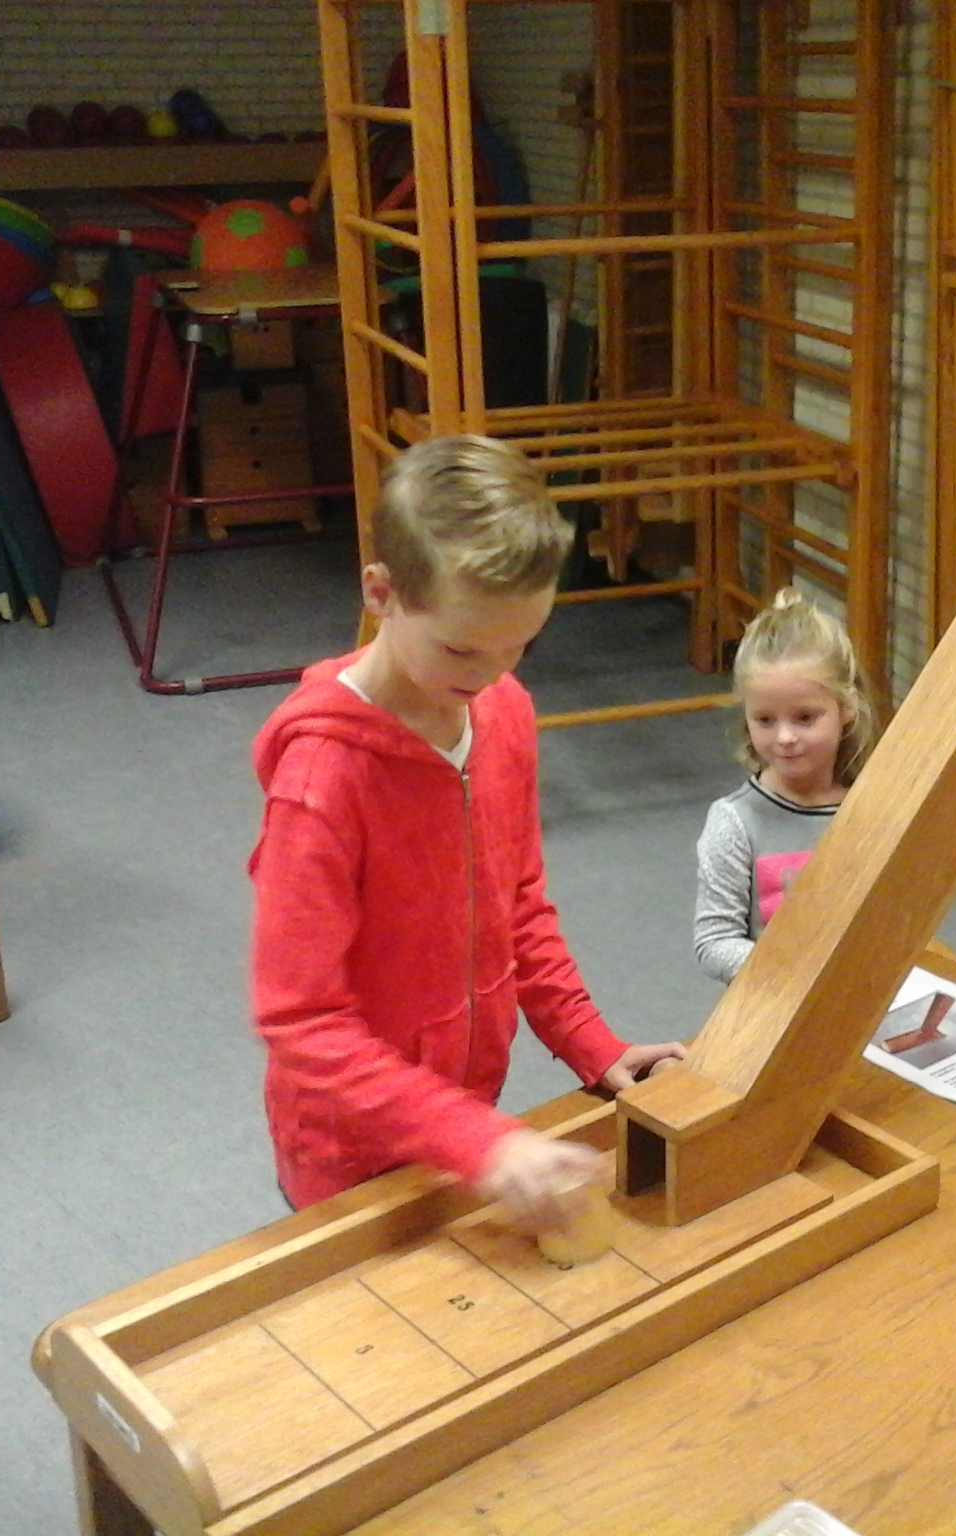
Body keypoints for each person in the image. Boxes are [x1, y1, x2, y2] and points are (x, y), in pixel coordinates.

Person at [249, 434, 686, 1236]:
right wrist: (478, 1140)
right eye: (461, 647)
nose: (490, 672)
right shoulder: (322, 784)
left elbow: (517, 904)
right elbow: (300, 1021)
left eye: (520, 644)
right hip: (348, 1156)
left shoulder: (502, 710)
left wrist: (592, 1043)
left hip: (464, 1118)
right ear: (381, 592)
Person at [693, 587, 874, 984]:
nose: (785, 737)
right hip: (775, 999)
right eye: (765, 720)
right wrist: (794, 970)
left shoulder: (871, 807)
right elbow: (714, 942)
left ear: (845, 708)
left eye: (805, 718)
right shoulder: (734, 821)